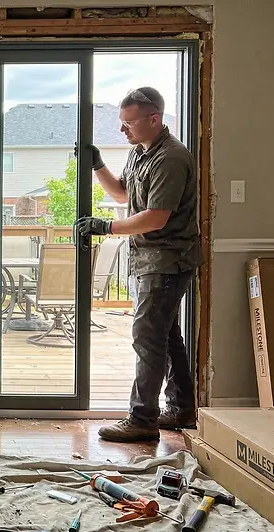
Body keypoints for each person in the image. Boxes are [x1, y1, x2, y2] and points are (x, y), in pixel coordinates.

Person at [74, 87, 203, 442]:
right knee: (167, 336)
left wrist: (107, 227)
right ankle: (180, 410)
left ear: (154, 119)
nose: (123, 130)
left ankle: (143, 419)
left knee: (147, 339)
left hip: (166, 260)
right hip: (149, 259)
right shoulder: (140, 154)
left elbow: (156, 217)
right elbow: (122, 194)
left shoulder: (172, 158)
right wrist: (97, 163)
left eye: (128, 123)